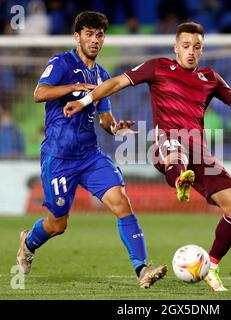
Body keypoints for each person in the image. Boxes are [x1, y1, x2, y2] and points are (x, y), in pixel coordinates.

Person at [64, 22, 231, 292]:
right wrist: (83, 102)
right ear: (176, 47)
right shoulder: (157, 67)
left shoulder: (210, 78)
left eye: (197, 47)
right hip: (166, 142)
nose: (191, 51)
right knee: (176, 150)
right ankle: (179, 180)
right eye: (186, 46)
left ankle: (211, 266)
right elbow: (116, 82)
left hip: (200, 153)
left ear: (202, 50)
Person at [16, 11, 167, 289]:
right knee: (58, 224)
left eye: (99, 35)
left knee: (122, 202)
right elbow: (39, 93)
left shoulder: (102, 74)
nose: (94, 40)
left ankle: (142, 269)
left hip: (90, 156)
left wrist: (117, 128)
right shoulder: (62, 62)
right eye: (88, 34)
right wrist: (73, 87)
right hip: (59, 157)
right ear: (77, 37)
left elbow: (105, 119)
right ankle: (28, 242)